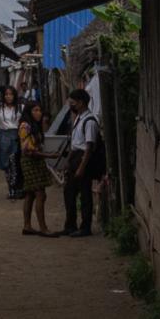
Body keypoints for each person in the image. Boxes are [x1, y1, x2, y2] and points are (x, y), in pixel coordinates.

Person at [62, 87, 102, 237]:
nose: (71, 105)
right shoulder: (79, 118)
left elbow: (89, 147)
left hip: (83, 159)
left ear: (81, 103)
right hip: (75, 157)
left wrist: (81, 167)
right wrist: (68, 161)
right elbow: (75, 143)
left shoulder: (90, 121)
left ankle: (85, 227)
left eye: (73, 103)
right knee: (69, 193)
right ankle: (70, 225)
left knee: (85, 194)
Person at [16, 99, 55, 236]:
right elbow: (28, 150)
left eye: (40, 110)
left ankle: (27, 226)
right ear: (29, 112)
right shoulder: (25, 126)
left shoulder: (34, 125)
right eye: (35, 110)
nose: (39, 113)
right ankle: (43, 228)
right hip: (31, 161)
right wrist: (49, 155)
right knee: (40, 193)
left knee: (31, 194)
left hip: (35, 161)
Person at [0, 84, 24, 199]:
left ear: (14, 96)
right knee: (6, 165)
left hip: (17, 136)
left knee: (15, 163)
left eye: (11, 94)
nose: (8, 97)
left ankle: (18, 188)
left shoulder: (21, 107)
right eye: (6, 94)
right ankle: (11, 189)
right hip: (3, 136)